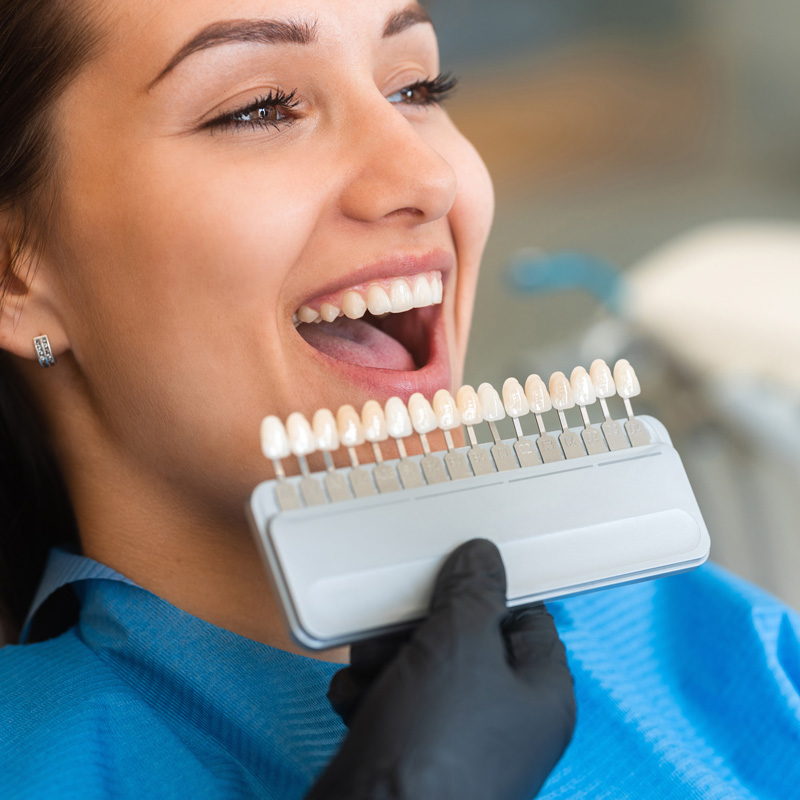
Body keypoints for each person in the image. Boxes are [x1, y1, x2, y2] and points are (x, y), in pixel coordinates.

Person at [1, 1, 799, 798]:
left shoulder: (721, 645)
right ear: (13, 274)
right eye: (260, 108)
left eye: (416, 87)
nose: (426, 177)